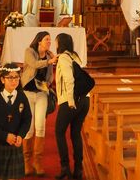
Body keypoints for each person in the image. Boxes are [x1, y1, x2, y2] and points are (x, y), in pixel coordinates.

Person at [0, 63, 32, 180]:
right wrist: (4, 136)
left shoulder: (22, 97)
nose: (14, 80)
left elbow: (27, 119)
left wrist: (21, 135)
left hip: (15, 145)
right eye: (10, 77)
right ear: (2, 80)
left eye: (16, 77)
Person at [21, 31, 57, 176]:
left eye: (50, 40)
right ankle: (26, 162)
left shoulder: (49, 56)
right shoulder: (29, 51)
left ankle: (37, 162)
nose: (49, 42)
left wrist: (47, 84)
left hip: (41, 94)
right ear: (39, 41)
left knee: (40, 126)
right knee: (29, 128)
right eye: (46, 39)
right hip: (28, 93)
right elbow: (34, 64)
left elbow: (50, 76)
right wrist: (49, 61)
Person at [54, 32, 90, 180]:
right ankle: (79, 169)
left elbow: (69, 79)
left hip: (72, 100)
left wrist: (70, 101)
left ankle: (65, 168)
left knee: (59, 132)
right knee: (75, 133)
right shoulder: (75, 56)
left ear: (60, 44)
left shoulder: (63, 57)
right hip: (85, 100)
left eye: (56, 42)